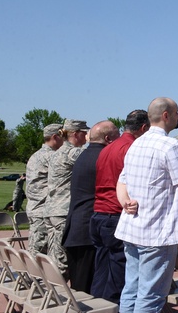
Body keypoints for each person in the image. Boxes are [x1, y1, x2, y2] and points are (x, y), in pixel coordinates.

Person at [114, 98, 178, 313]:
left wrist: (125, 201)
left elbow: (123, 182)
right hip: (156, 232)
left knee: (132, 288)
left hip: (132, 228)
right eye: (177, 113)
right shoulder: (171, 146)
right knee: (150, 295)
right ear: (166, 115)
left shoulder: (135, 144)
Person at [90, 109, 149, 313]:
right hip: (116, 215)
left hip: (99, 214)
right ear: (144, 128)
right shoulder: (132, 148)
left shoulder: (106, 148)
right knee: (119, 277)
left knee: (102, 274)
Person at [63, 120, 119, 292]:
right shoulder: (102, 158)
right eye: (117, 137)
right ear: (108, 139)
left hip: (77, 228)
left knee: (81, 287)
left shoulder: (84, 155)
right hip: (87, 231)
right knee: (87, 292)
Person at [47, 119, 90, 274]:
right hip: (63, 211)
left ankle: (53, 293)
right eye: (84, 133)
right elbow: (93, 159)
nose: (86, 137)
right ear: (74, 134)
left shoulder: (57, 152)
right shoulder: (73, 152)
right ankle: (59, 296)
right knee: (63, 262)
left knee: (55, 256)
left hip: (53, 209)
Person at [25, 123, 64, 256]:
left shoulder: (36, 155)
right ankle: (34, 277)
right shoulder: (51, 156)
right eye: (62, 136)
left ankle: (33, 276)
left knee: (37, 248)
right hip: (42, 209)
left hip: (34, 207)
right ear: (55, 137)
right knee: (39, 251)